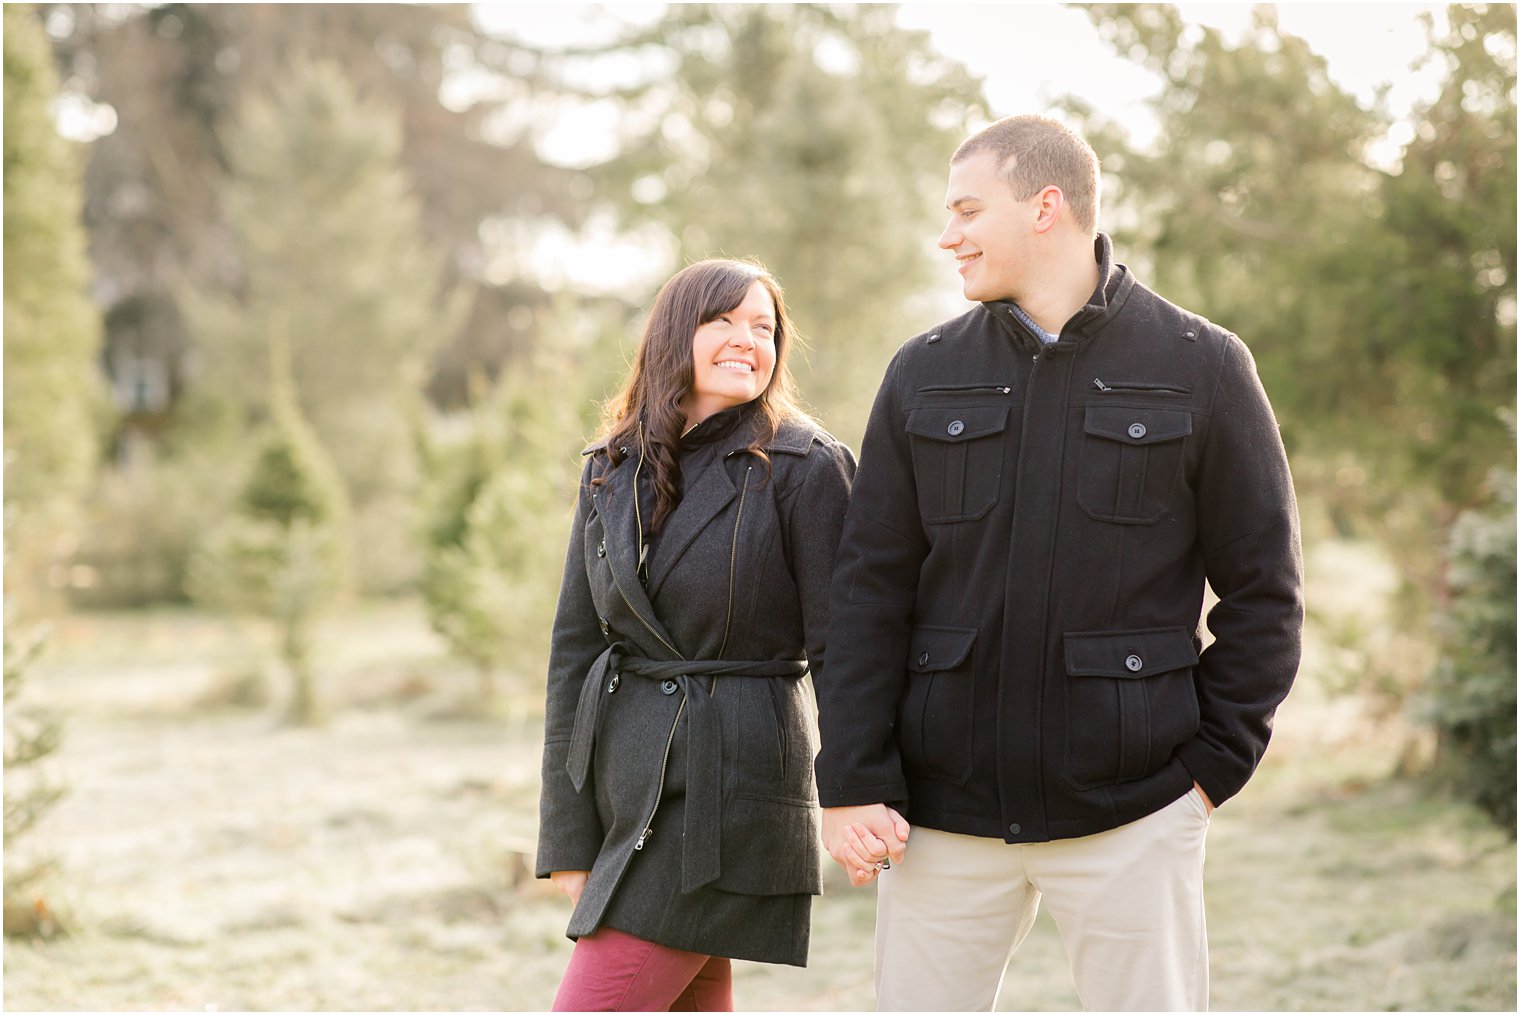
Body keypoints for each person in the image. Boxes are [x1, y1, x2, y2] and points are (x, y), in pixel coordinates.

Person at [815, 114, 1304, 1012]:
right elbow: (866, 591)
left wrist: (1205, 773)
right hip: (943, 815)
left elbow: (1265, 591)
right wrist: (851, 778)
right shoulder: (921, 373)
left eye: (967, 209)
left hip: (1135, 811)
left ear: (1046, 206)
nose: (947, 234)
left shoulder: (1203, 366)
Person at [536, 258, 855, 1011]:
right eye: (725, 320)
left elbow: (847, 649)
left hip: (733, 792)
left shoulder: (805, 468)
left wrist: (858, 789)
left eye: (764, 327)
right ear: (676, 332)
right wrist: (568, 834)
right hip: (628, 797)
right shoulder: (610, 468)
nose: (748, 340)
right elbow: (573, 653)